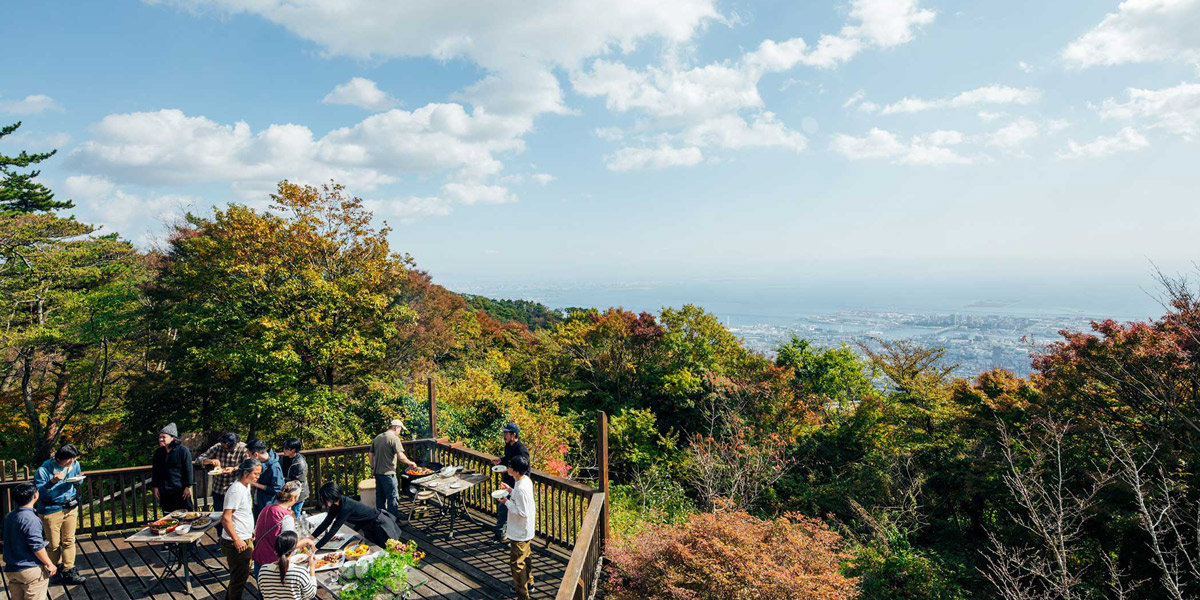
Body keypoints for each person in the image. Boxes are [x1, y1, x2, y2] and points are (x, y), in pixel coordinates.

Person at [33, 443, 86, 585]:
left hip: (70, 507)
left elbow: (77, 482)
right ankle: (54, 571)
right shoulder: (43, 470)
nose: (73, 462)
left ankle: (69, 571)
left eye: (74, 458)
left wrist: (78, 481)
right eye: (70, 459)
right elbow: (39, 493)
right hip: (51, 510)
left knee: (69, 540)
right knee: (53, 544)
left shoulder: (75, 465)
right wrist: (52, 482)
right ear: (60, 458)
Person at [3, 482, 58, 600]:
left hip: (12, 569)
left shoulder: (9, 516)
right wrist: (49, 563)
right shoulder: (31, 519)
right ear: (35, 496)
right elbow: (36, 546)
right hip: (30, 570)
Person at [310, 482, 402, 549]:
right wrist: (311, 538)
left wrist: (316, 547)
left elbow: (333, 530)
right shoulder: (336, 505)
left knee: (390, 549)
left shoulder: (346, 506)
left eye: (325, 499)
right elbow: (326, 522)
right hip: (369, 527)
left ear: (331, 497)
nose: (324, 501)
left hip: (380, 524)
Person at [221, 458, 261, 600]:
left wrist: (251, 530)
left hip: (245, 536)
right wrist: (236, 539)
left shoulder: (246, 486)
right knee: (238, 579)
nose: (258, 477)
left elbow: (243, 513)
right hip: (237, 541)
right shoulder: (236, 490)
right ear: (245, 473)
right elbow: (226, 518)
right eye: (255, 474)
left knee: (240, 576)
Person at [498, 454, 536, 600]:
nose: (508, 468)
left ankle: (523, 595)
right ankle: (530, 584)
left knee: (517, 564)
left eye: (510, 467)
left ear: (515, 470)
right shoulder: (525, 481)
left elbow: (522, 512)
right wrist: (510, 490)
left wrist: (506, 502)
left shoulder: (521, 489)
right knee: (526, 558)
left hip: (520, 531)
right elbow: (521, 501)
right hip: (526, 529)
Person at [368, 419, 418, 520]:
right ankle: (394, 521)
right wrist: (411, 463)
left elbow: (370, 454)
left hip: (378, 473)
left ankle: (380, 520)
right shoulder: (394, 439)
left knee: (380, 498)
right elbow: (401, 456)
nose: (400, 432)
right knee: (392, 497)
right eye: (400, 429)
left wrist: (373, 467)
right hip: (388, 474)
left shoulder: (378, 437)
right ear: (396, 428)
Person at [491, 422, 529, 542]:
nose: (504, 435)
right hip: (508, 482)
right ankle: (502, 533)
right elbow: (507, 458)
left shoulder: (521, 450)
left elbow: (525, 468)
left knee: (509, 508)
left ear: (513, 435)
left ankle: (503, 534)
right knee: (503, 507)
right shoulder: (508, 446)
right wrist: (500, 460)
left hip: (516, 484)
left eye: (506, 433)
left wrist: (509, 471)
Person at [256, 531, 317, 600]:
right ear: (293, 550)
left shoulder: (263, 570)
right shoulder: (300, 573)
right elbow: (311, 595)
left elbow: (263, 593)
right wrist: (312, 568)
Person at [151, 423, 195, 512]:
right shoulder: (158, 453)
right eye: (160, 437)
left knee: (186, 516)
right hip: (164, 491)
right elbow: (155, 470)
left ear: (173, 438)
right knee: (168, 517)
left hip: (180, 491)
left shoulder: (183, 451)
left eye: (164, 437)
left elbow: (188, 469)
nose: (161, 439)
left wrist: (188, 486)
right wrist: (155, 486)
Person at [248, 440, 284, 520]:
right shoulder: (261, 462)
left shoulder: (274, 467)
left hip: (268, 505)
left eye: (249, 455)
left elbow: (277, 489)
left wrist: (255, 484)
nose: (249, 457)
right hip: (259, 502)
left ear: (256, 454)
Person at [279, 437, 309, 522]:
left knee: (296, 513)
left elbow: (299, 480)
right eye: (284, 448)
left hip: (298, 492)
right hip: (287, 491)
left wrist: (285, 480)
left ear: (293, 450)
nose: (284, 450)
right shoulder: (283, 458)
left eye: (286, 448)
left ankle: (297, 531)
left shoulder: (300, 463)